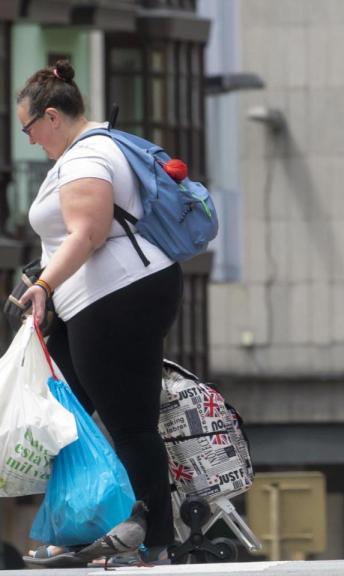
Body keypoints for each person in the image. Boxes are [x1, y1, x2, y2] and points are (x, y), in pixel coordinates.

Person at [15, 60, 181, 566]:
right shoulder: (78, 155)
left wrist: (44, 284)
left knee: (130, 424)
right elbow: (71, 236)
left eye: (29, 129)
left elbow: (87, 232)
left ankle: (153, 542)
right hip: (93, 300)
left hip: (116, 297)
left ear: (51, 116)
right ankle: (89, 526)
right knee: (61, 418)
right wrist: (36, 276)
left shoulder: (88, 156)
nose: (29, 141)